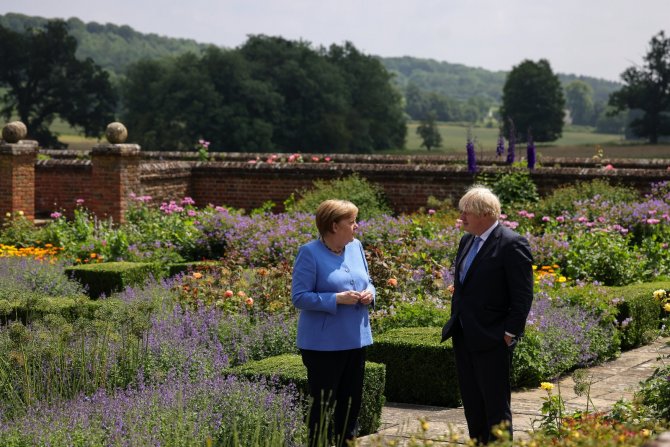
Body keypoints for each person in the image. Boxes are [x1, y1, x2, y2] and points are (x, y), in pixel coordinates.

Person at [441, 185, 534, 445]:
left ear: (484, 213)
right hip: (464, 335)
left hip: (493, 338)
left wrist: (507, 334)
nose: (461, 217)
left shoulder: (512, 244)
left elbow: (523, 296)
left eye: (466, 212)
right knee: (472, 404)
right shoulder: (466, 240)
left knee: (496, 408)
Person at [292, 199, 375, 446]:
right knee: (321, 409)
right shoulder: (309, 253)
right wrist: (336, 299)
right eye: (351, 222)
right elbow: (299, 297)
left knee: (350, 408)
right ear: (334, 226)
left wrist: (371, 293)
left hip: (356, 340)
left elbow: (368, 281)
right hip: (323, 346)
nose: (356, 226)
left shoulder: (356, 246)